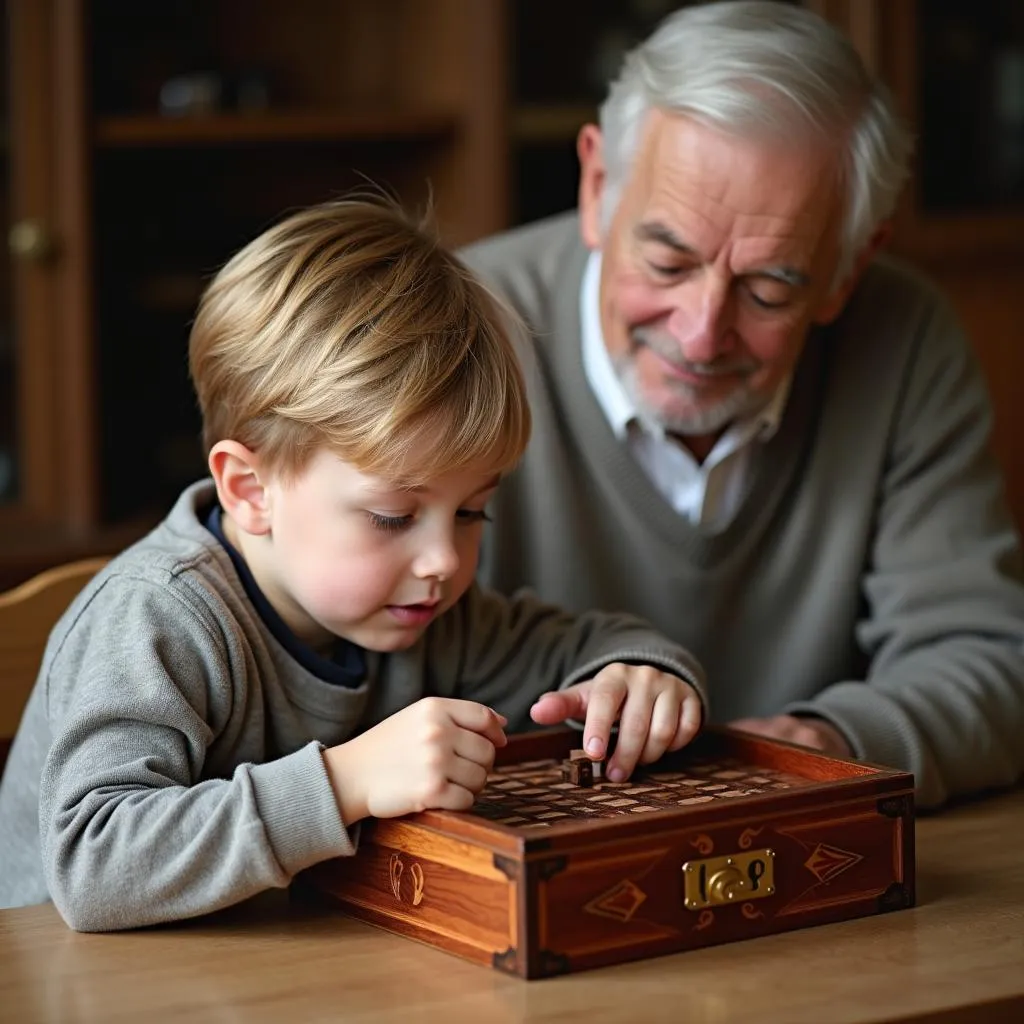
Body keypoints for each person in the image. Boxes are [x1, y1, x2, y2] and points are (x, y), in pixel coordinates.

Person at [0, 197, 707, 929]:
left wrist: (637, 675)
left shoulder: (429, 617)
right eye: (393, 517)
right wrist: (344, 782)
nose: (441, 560)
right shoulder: (156, 620)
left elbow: (587, 645)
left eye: (471, 512)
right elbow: (93, 867)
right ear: (250, 490)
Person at [460, 0, 1024, 810]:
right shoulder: (455, 331)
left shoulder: (903, 339)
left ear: (849, 267)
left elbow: (989, 662)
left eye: (769, 288)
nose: (701, 334)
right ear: (595, 188)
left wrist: (822, 748)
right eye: (666, 261)